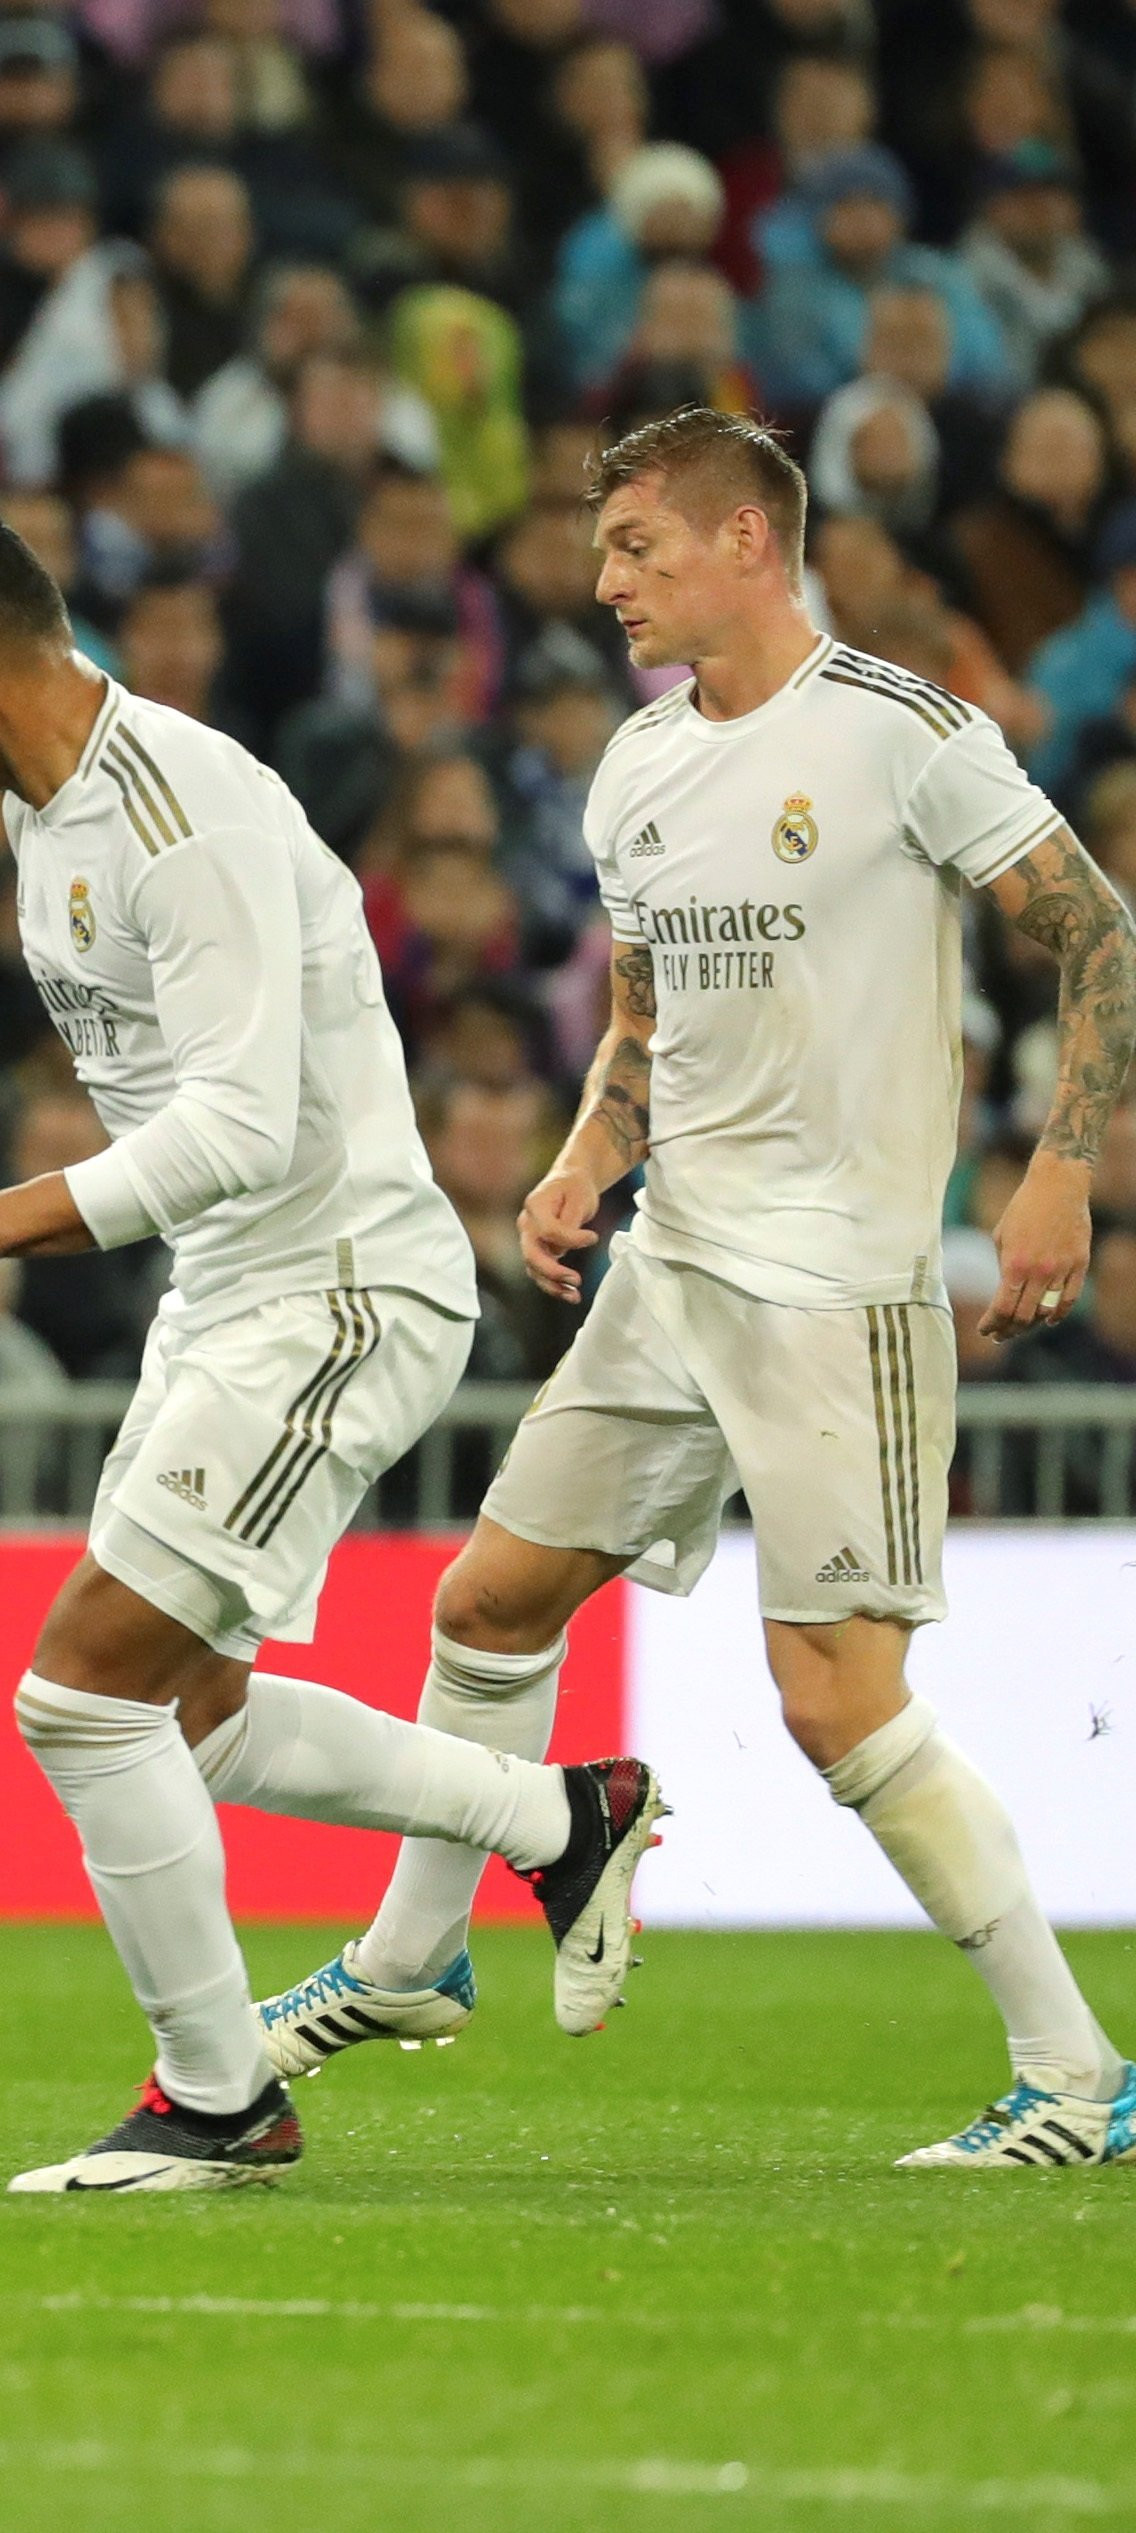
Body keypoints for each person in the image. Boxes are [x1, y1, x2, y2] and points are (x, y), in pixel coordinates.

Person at [270, 412, 1136, 2172]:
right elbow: (647, 1022)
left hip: (840, 1293)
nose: (608, 584)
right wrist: (594, 1150)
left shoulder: (905, 737)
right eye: (605, 553)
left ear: (752, 540)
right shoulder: (639, 768)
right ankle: (410, 1958)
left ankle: (1077, 2073)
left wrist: (1065, 1166)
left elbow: (1100, 928)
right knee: (490, 1605)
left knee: (836, 1698)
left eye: (640, 547)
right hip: (671, 1266)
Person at [0, 496, 664, 2194]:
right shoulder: (51, 814)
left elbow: (241, 1125)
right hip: (232, 1297)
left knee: (74, 1697)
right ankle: (558, 1822)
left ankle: (219, 2097)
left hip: (337, 1287)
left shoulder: (178, 810)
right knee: (189, 1711)